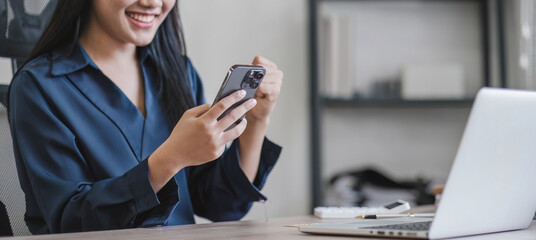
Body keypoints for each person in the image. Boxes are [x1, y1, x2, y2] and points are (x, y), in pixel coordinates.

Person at [8, 0, 283, 234]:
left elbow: (222, 206)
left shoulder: (179, 72)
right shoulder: (39, 86)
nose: (152, 2)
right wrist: (169, 159)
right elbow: (70, 222)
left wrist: (256, 122)